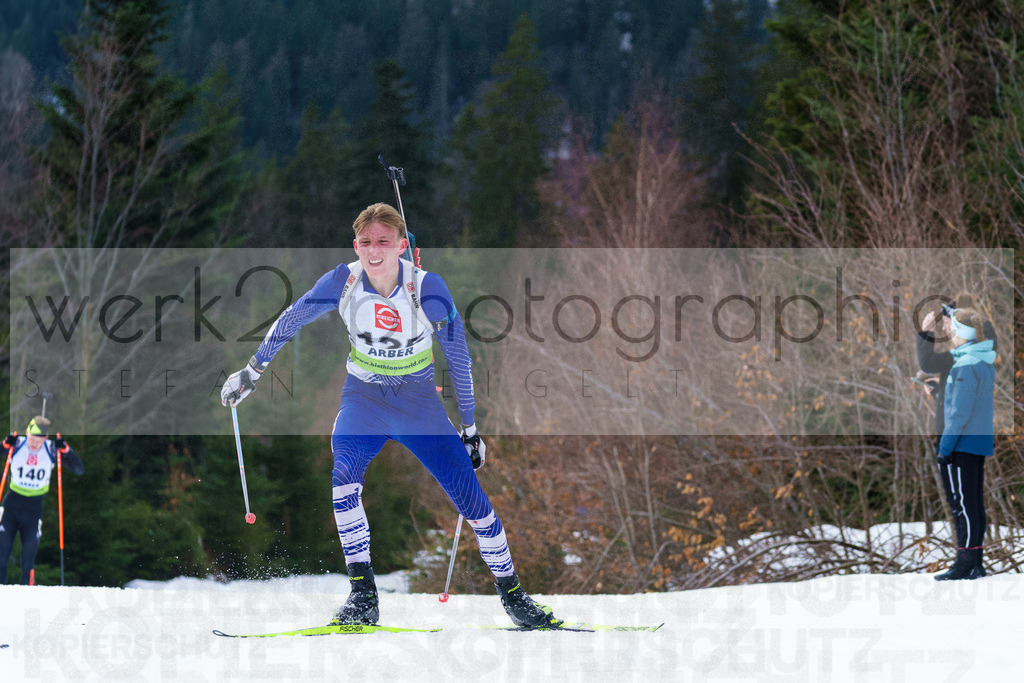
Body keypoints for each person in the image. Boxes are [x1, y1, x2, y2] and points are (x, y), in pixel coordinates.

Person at [221, 202, 561, 628]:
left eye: (383, 241)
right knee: (343, 479)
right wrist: (252, 370)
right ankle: (363, 597)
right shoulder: (342, 282)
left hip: (418, 402)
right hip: (363, 399)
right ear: (355, 246)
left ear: (402, 245)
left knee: (472, 502)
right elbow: (293, 318)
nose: (373, 250)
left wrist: (470, 428)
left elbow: (457, 355)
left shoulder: (426, 287)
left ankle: (515, 598)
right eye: (365, 242)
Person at [920, 307, 995, 581]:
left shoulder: (965, 364)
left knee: (962, 505)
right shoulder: (981, 359)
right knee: (973, 504)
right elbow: (969, 402)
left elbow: (959, 414)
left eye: (951, 326)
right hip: (977, 442)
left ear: (962, 332)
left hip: (961, 445)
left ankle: (966, 563)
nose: (947, 330)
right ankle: (974, 561)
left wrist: (945, 449)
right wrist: (941, 391)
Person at [0, 416, 84, 584]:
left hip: (33, 508)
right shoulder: (17, 444)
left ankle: (27, 594)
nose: (34, 444)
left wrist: (66, 450)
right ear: (27, 433)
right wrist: (4, 444)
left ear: (45, 438)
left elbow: (78, 469)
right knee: (1, 556)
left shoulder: (52, 449)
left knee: (28, 561)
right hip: (11, 504)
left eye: (39, 441)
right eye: (32, 439)